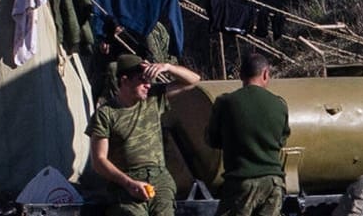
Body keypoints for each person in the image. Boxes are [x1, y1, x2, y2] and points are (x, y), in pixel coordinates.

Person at [88, 53, 204, 216]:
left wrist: (168, 67)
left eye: (148, 80)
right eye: (142, 80)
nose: (148, 85)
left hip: (159, 178)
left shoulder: (154, 98)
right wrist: (129, 184)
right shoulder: (106, 114)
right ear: (125, 81)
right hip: (126, 182)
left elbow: (194, 81)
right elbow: (99, 160)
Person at [206, 51, 291, 216]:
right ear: (266, 73)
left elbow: (213, 140)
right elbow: (282, 140)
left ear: (240, 75)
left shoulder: (225, 103)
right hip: (273, 183)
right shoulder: (280, 104)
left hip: (241, 182)